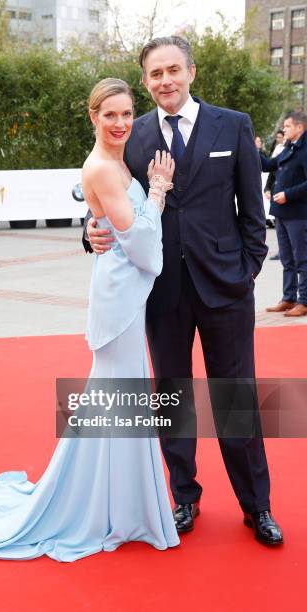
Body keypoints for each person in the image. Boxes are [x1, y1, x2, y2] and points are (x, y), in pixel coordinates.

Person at [0, 78, 180, 561]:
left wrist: (107, 221)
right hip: (119, 298)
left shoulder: (118, 159)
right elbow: (143, 245)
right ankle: (112, 509)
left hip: (122, 293)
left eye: (126, 114)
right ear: (93, 116)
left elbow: (115, 227)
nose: (121, 123)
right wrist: (159, 191)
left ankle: (114, 505)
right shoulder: (102, 167)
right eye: (110, 115)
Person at [84, 36, 283, 545]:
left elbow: (252, 214)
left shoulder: (233, 125)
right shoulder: (133, 131)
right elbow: (103, 195)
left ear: (191, 72)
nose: (165, 80)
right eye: (155, 74)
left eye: (173, 69)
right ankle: (183, 498)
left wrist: (246, 271)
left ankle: (257, 506)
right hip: (160, 293)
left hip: (225, 291)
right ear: (146, 80)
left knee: (234, 399)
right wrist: (89, 230)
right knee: (173, 399)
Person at [257, 112, 307, 317]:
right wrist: (255, 150)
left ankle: (304, 300)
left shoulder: (304, 150)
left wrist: (288, 194)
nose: (284, 129)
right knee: (287, 258)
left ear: (299, 128)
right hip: (283, 212)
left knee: (302, 259)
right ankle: (289, 298)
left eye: (287, 126)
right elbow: (269, 165)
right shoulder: (288, 147)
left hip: (298, 213)